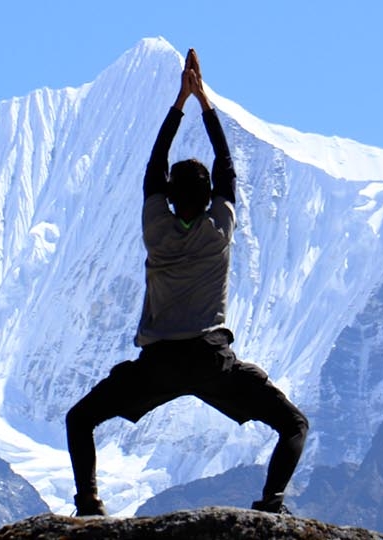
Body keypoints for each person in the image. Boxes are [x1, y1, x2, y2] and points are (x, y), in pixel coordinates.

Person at [64, 48, 310, 517]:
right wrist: (204, 102)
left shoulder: (156, 225)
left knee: (80, 419)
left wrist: (179, 102)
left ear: (171, 199)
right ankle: (272, 503)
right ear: (209, 195)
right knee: (293, 423)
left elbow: (154, 167)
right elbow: (226, 163)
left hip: (157, 362)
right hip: (210, 360)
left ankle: (88, 505)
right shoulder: (220, 226)